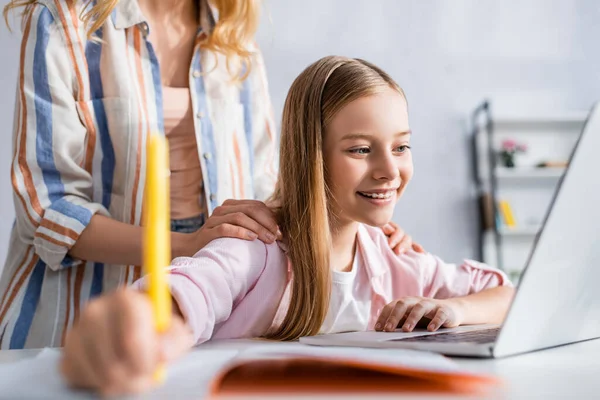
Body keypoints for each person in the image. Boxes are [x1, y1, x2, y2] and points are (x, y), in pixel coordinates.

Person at [60, 55, 515, 396]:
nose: (389, 170)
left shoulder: (392, 258)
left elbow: (506, 294)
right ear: (309, 155)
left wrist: (454, 311)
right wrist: (143, 325)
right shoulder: (254, 247)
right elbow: (183, 297)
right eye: (360, 150)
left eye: (401, 147)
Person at [0, 0, 417, 349]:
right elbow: (48, 208)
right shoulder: (65, 20)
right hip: (72, 317)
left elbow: (268, 186)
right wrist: (189, 245)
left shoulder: (233, 39)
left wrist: (363, 232)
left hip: (209, 306)